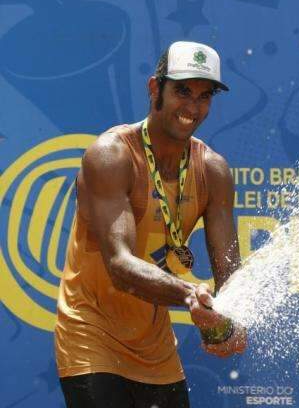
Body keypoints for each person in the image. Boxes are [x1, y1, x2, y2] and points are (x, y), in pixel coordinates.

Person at [54, 41, 247, 408]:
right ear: (154, 88)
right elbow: (120, 266)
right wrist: (191, 295)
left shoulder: (214, 171)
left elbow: (229, 273)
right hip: (90, 333)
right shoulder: (111, 154)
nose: (193, 107)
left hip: (155, 346)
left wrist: (227, 324)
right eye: (182, 91)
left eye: (205, 96)